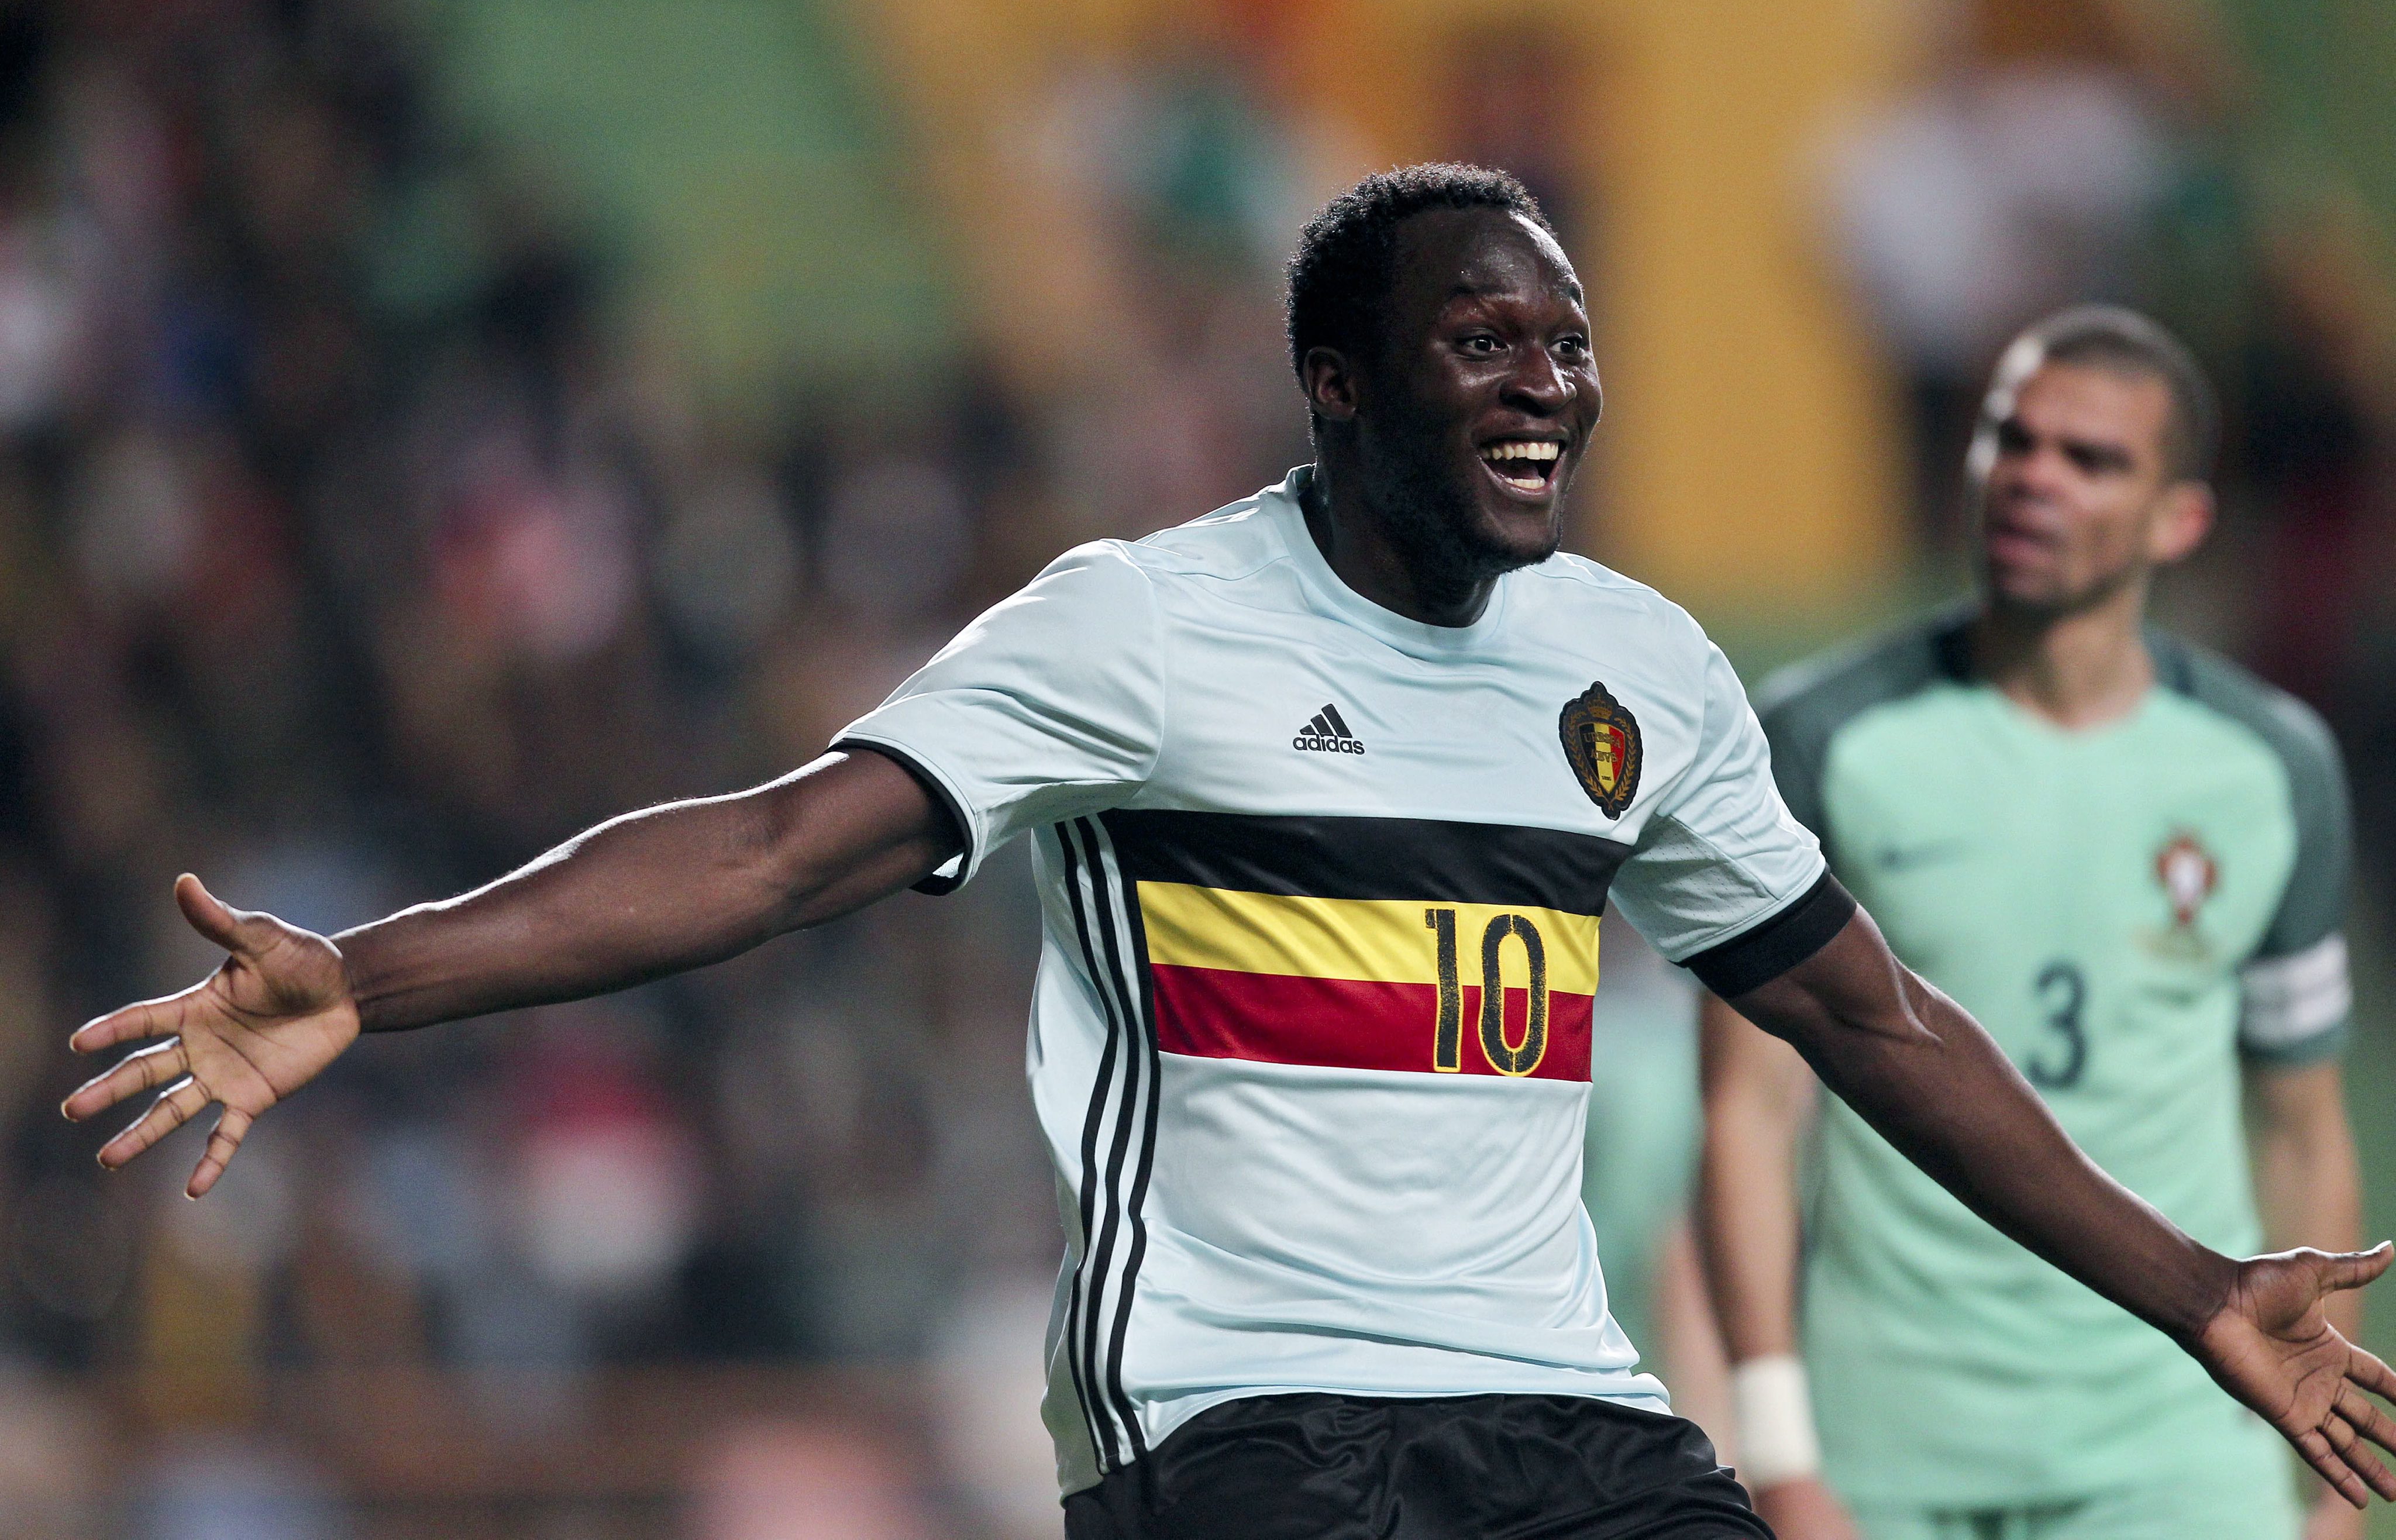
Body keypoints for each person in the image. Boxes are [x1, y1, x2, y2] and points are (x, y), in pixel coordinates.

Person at [63, 170, 2396, 1539]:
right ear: (1342, 384)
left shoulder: (1639, 673)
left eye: (1566, 344)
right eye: (1480, 340)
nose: (1543, 382)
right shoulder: (1142, 626)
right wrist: (372, 973)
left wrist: (2190, 1284)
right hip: (1237, 1419)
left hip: (1564, 1414)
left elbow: (1864, 1013)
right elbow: (776, 849)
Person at [1697, 305, 2370, 1540]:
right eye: (2009, 439)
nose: (2031, 478)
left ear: (2178, 519)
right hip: (1886, 1447)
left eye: (2090, 458)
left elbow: (2298, 1128)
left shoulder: (2270, 769)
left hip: (2177, 1449)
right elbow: (1745, 1111)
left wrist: (2323, 1482)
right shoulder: (1819, 738)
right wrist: (1778, 1445)